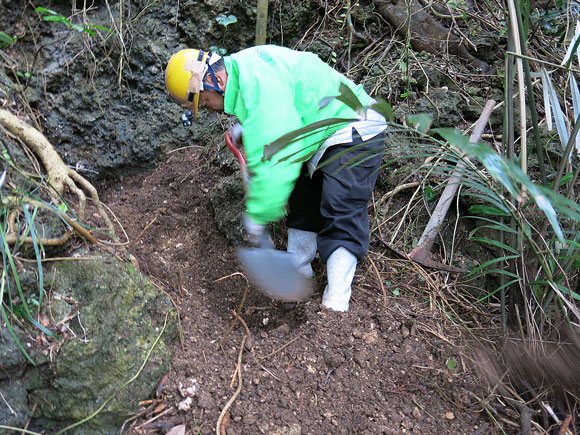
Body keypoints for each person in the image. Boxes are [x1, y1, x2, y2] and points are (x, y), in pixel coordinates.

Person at [164, 45, 387, 311]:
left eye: (204, 102)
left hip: (353, 125)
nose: (210, 110)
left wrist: (258, 216)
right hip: (316, 132)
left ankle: (335, 306)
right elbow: (279, 110)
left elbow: (278, 158)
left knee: (341, 207)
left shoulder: (257, 87)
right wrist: (248, 129)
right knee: (303, 198)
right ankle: (299, 276)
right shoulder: (244, 72)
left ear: (215, 80)